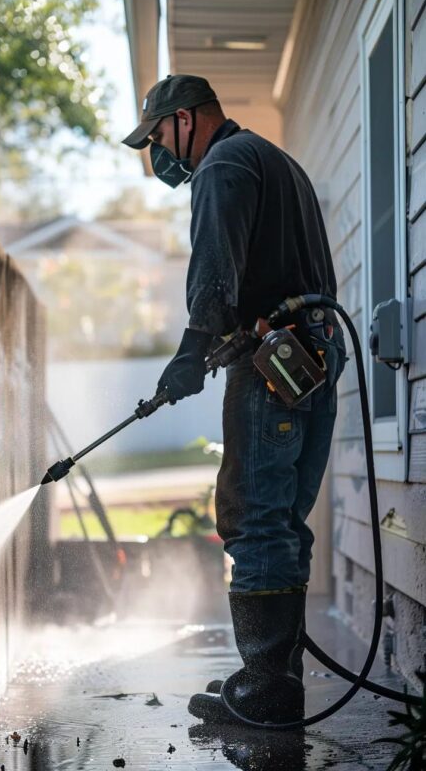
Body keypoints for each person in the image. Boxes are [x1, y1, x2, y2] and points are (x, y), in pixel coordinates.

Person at [122, 74, 347, 725]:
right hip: (309, 352)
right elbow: (277, 273)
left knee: (253, 518)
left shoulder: (221, 167)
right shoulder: (276, 161)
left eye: (157, 135)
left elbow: (215, 269)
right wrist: (225, 338)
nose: (157, 151)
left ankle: (266, 692)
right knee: (279, 520)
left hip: (273, 361)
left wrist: (193, 346)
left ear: (185, 120)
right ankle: (267, 678)